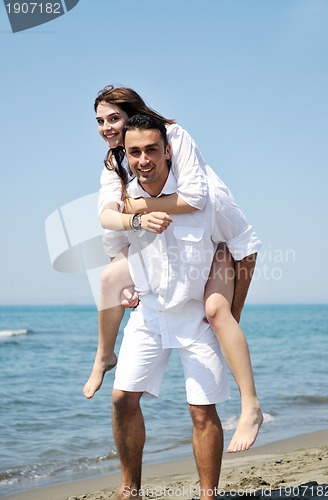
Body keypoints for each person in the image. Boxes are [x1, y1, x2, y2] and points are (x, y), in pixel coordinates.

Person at [83, 85, 263, 453]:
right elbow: (107, 217)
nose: (105, 127)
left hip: (217, 234)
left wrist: (137, 208)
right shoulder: (115, 161)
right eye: (99, 121)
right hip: (153, 248)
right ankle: (105, 354)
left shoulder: (172, 136)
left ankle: (251, 407)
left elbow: (197, 198)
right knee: (110, 278)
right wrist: (132, 221)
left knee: (216, 311)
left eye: (113, 118)